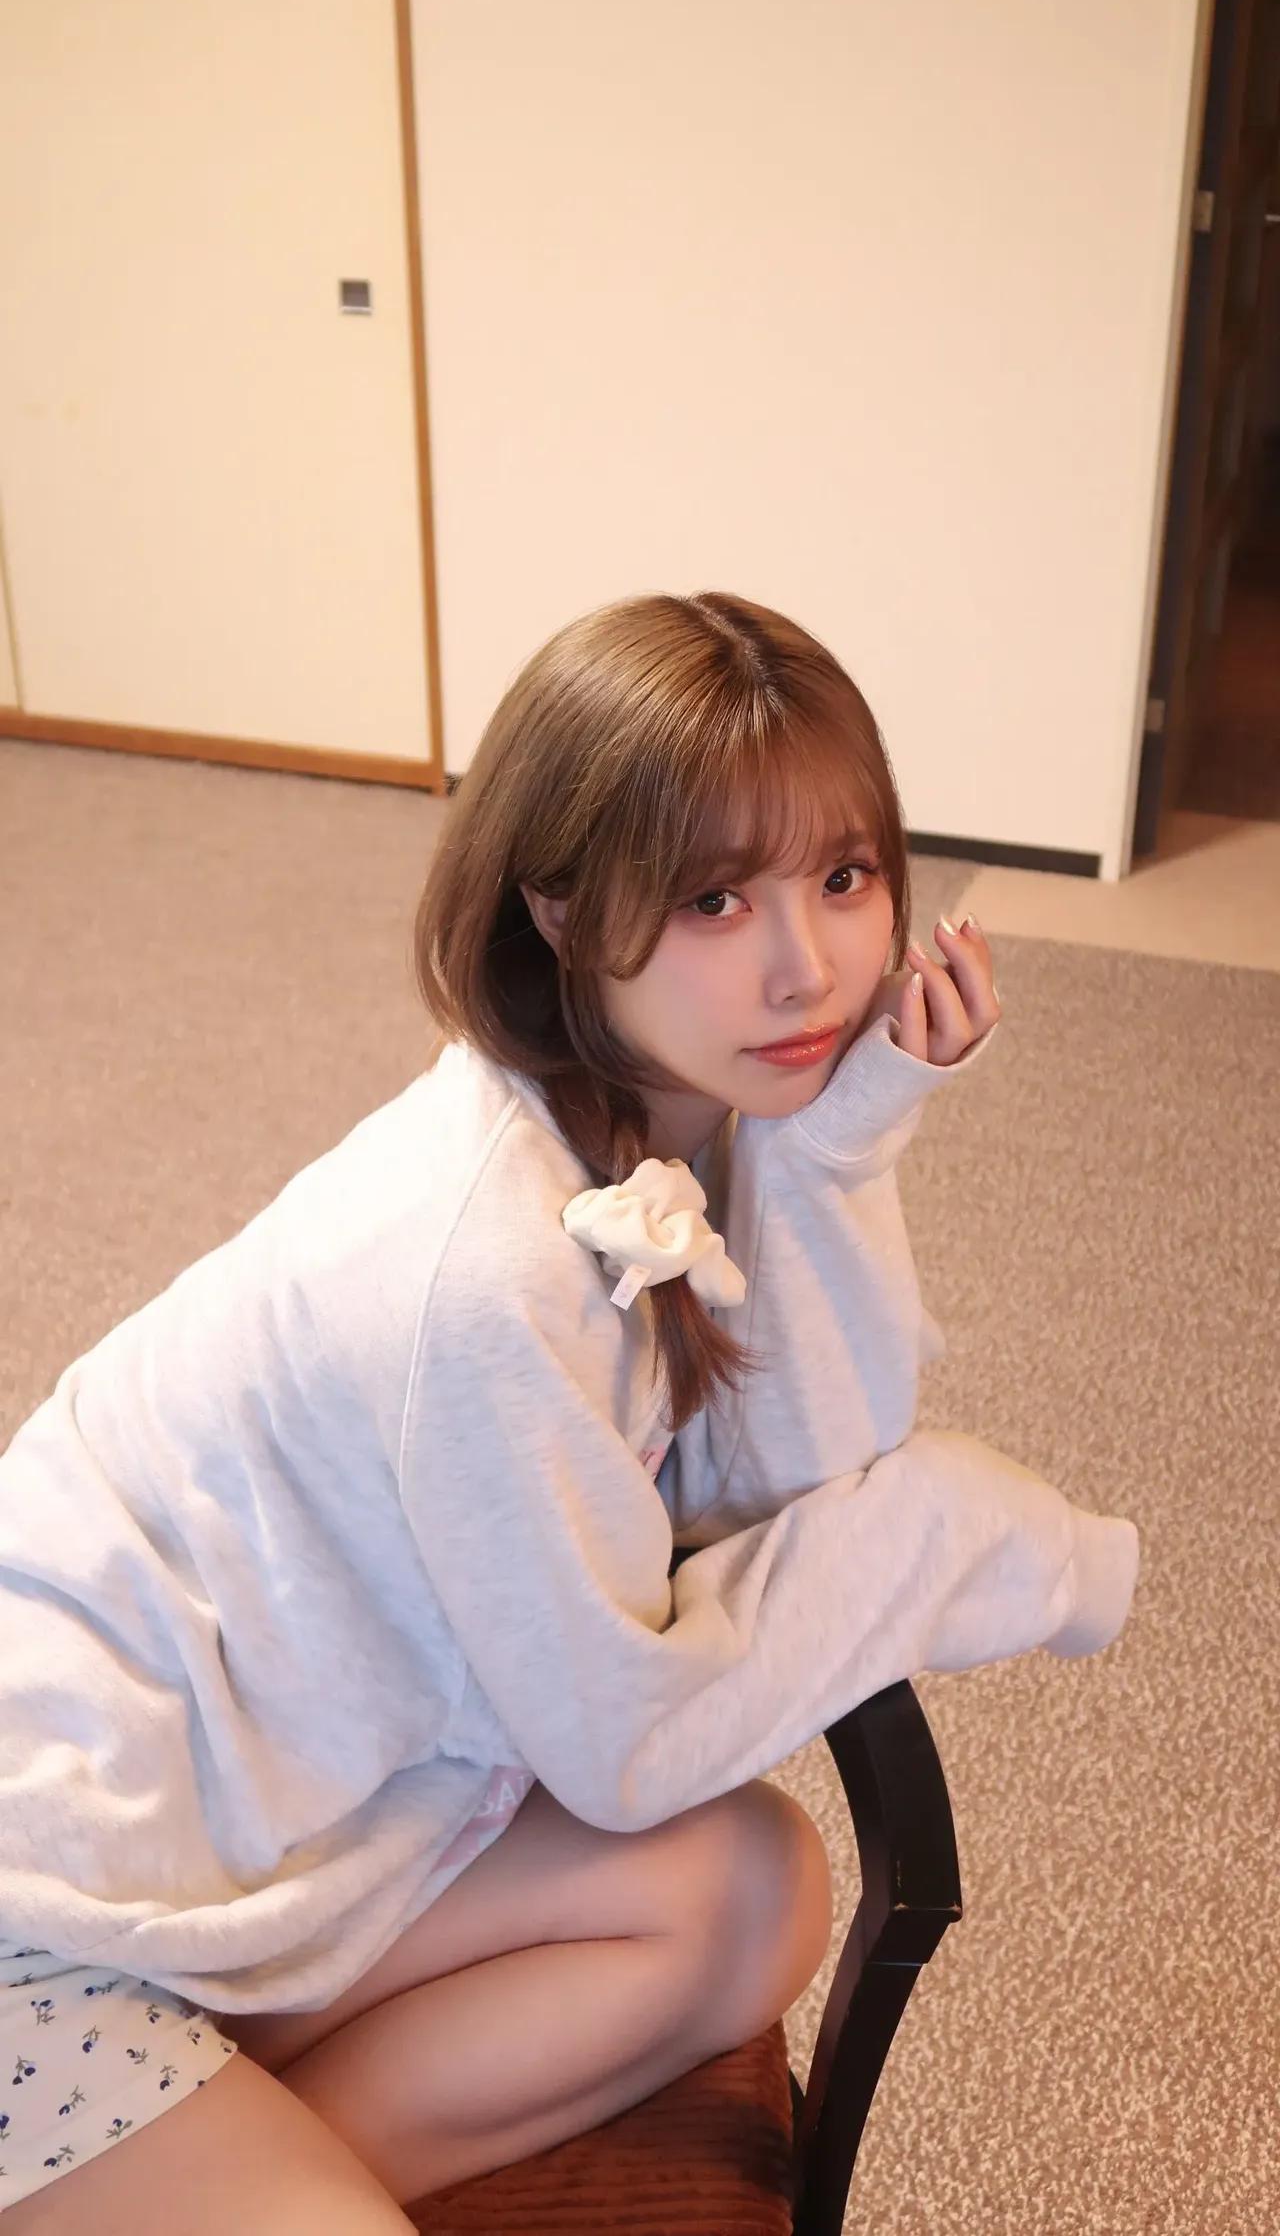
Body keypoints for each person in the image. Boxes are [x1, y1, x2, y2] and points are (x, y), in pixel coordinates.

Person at [0, 590, 1139, 2232]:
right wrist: (955, 1537)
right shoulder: (487, 1271)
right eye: (714, 898)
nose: (808, 966)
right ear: (558, 908)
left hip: (254, 1833)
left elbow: (792, 1475)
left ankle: (221, 2172)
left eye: (842, 876)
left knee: (755, 1892)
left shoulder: (656, 1120)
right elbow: (627, 1746)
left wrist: (842, 1144)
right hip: (44, 1909)